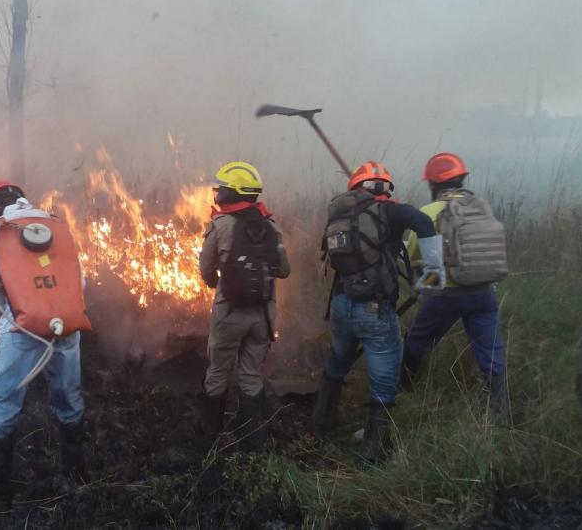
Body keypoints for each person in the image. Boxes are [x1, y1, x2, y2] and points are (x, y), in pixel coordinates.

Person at [310, 161, 443, 466]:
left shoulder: (341, 213)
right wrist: (435, 270)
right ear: (385, 187)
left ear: (356, 188)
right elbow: (424, 222)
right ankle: (372, 451)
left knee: (338, 360)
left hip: (342, 306)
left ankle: (318, 424)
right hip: (375, 310)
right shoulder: (392, 211)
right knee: (384, 379)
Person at [0, 180, 87, 490]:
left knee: (5, 401)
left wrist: (17, 314)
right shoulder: (56, 224)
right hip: (65, 324)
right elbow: (80, 282)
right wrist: (59, 312)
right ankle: (76, 476)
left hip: (21, 330)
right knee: (69, 397)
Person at [401, 152, 509, 415]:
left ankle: (402, 394)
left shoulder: (429, 211)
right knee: (492, 355)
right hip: (485, 292)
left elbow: (414, 255)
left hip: (447, 293)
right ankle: (501, 414)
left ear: (433, 184)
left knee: (417, 342)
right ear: (461, 180)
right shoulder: (481, 206)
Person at [198, 161, 291, 451]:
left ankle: (209, 442)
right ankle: (254, 445)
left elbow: (206, 269)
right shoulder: (271, 227)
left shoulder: (221, 225)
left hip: (229, 315)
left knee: (217, 374)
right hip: (263, 317)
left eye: (222, 190)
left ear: (233, 193)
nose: (219, 194)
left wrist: (216, 282)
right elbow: (284, 270)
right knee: (251, 376)